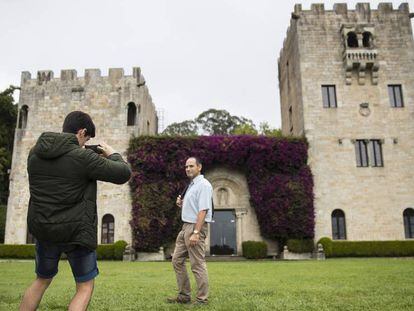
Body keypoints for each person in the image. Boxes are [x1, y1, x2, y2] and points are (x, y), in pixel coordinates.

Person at [20, 111, 131, 311]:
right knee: (84, 286)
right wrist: (112, 154)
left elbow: (63, 163)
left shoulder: (34, 153)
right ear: (82, 132)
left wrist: (85, 150)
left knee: (41, 280)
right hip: (76, 232)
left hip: (44, 228)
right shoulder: (83, 157)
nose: (85, 143)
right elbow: (123, 173)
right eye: (86, 138)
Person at [168, 157, 213, 305]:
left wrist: (196, 232)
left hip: (195, 227)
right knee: (176, 260)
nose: (188, 169)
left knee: (197, 264)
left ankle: (202, 299)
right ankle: (184, 295)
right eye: (186, 166)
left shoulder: (204, 185)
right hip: (185, 227)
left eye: (191, 166)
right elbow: (194, 207)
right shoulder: (191, 185)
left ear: (199, 167)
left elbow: (203, 210)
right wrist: (181, 204)